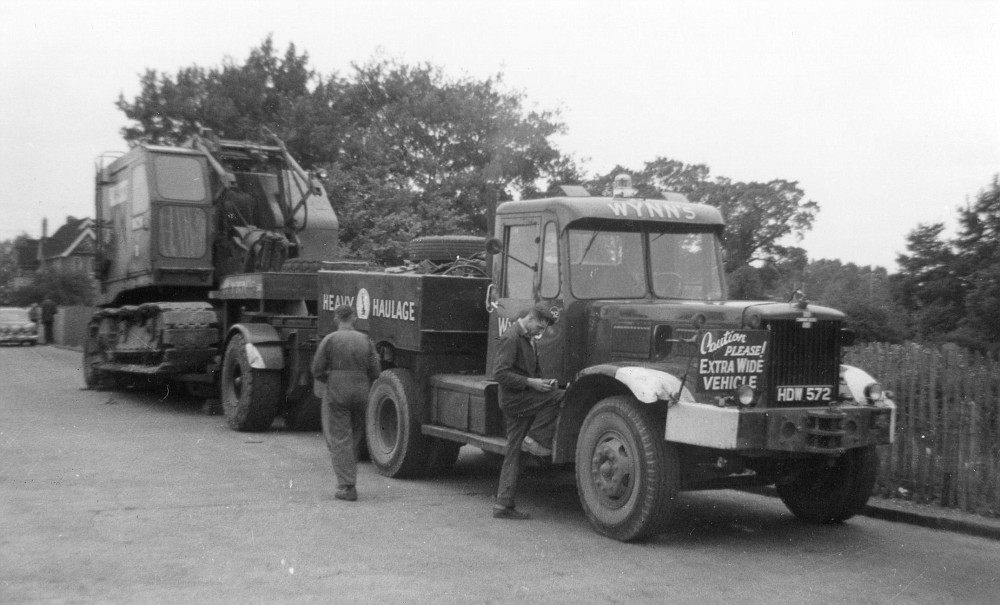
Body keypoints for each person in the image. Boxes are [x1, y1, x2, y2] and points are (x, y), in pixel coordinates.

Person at [492, 303, 563, 520]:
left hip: (522, 397)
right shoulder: (511, 338)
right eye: (539, 328)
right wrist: (532, 383)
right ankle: (534, 439)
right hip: (516, 400)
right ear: (531, 319)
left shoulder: (528, 338)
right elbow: (500, 374)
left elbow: (531, 370)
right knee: (559, 397)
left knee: (513, 452)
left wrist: (544, 382)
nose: (540, 333)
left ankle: (503, 505)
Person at [311, 304, 381, 502]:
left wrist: (331, 380)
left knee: (341, 438)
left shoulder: (330, 340)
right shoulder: (365, 340)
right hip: (361, 391)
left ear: (336, 318)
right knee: (356, 435)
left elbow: (317, 369)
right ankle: (350, 478)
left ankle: (347, 486)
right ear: (354, 318)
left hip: (338, 391)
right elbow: (375, 371)